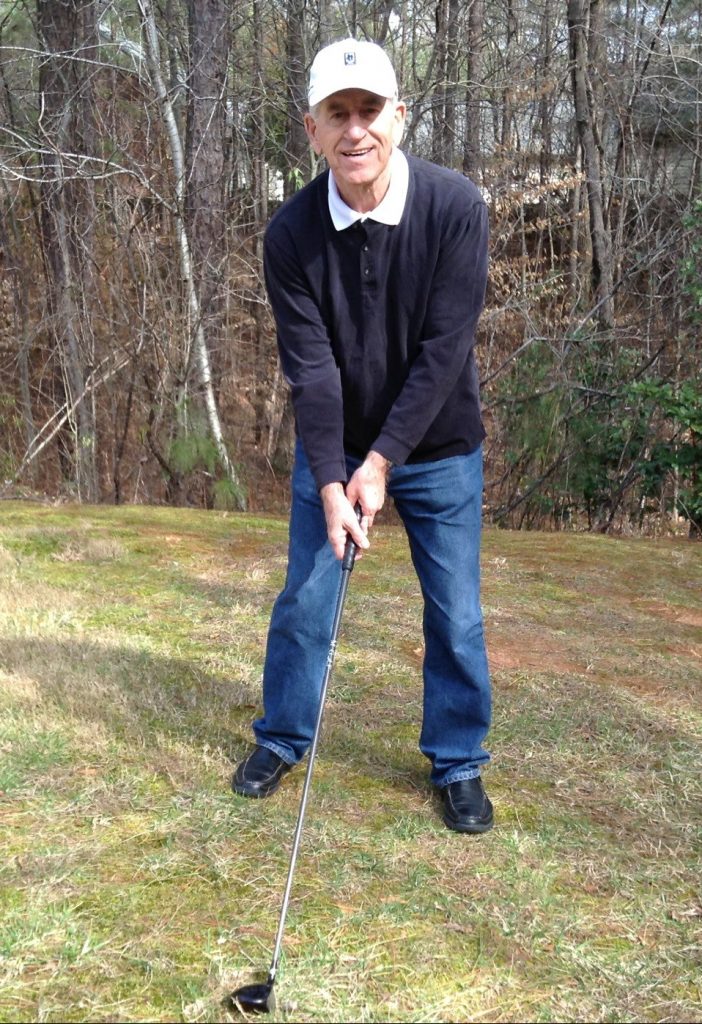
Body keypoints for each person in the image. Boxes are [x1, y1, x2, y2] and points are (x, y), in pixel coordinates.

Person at [232, 37, 493, 834]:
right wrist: (331, 479)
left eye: (370, 111)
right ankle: (283, 736)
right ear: (311, 129)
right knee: (307, 600)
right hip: (335, 446)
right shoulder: (290, 235)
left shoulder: (455, 208)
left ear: (399, 117)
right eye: (336, 114)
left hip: (440, 446)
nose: (355, 130)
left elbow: (444, 352)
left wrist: (382, 463)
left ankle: (458, 761)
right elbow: (311, 372)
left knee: (456, 614)